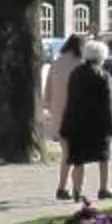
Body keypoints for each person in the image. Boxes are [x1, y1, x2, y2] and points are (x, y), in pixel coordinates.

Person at [58, 38, 112, 202]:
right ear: (102, 57)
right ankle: (104, 187)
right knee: (103, 157)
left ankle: (77, 191)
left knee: (78, 159)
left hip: (75, 122)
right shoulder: (103, 76)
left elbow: (71, 99)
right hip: (97, 125)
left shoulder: (75, 73)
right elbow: (108, 104)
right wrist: (111, 127)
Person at [42, 34, 85, 200]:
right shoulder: (81, 64)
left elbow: (47, 93)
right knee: (78, 155)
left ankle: (62, 187)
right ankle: (77, 191)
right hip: (77, 115)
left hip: (58, 116)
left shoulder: (56, 63)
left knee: (67, 153)